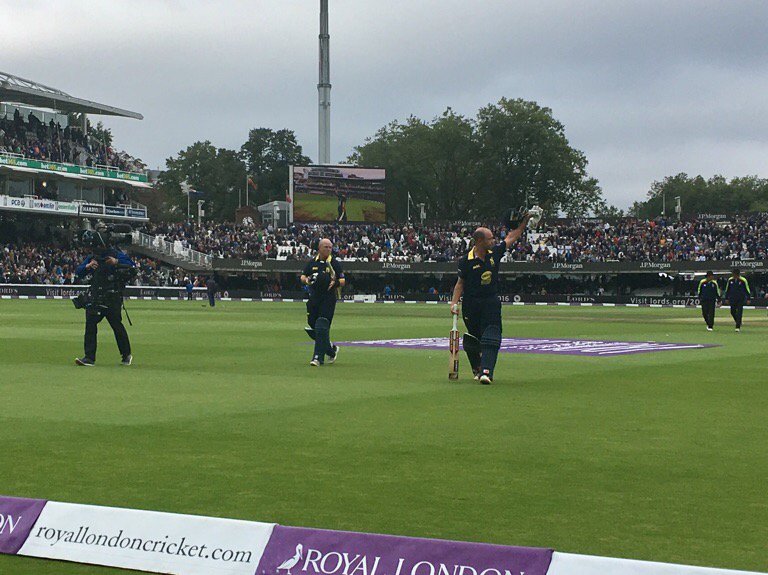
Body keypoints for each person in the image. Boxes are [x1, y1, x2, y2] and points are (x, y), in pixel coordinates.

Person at [449, 214, 532, 384]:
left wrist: (524, 223)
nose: (494, 241)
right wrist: (454, 302)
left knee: (492, 335)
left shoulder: (494, 253)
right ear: (479, 241)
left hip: (490, 301)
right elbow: (460, 284)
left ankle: (486, 372)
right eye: (490, 238)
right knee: (473, 339)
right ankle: (477, 368)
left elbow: (511, 237)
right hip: (471, 304)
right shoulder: (465, 261)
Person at [74, 246, 136, 367]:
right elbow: (79, 272)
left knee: (117, 326)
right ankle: (89, 357)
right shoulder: (93, 257)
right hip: (97, 297)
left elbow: (132, 266)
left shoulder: (116, 254)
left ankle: (126, 354)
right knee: (90, 325)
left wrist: (116, 262)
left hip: (112, 297)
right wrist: (88, 266)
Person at [300, 238, 345, 366]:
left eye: (330, 247)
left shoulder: (334, 263)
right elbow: (303, 275)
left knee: (322, 325)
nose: (328, 249)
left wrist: (335, 282)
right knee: (314, 326)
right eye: (326, 247)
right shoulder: (312, 263)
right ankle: (331, 350)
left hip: (328, 298)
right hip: (314, 298)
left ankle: (317, 358)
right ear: (319, 248)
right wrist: (307, 280)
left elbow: (343, 280)